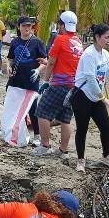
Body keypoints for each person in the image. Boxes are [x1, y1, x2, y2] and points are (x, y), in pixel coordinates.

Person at [72, 23, 109, 172]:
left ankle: (106, 156)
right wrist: (103, 99)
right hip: (82, 96)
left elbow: (106, 73)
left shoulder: (104, 54)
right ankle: (80, 160)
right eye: (106, 37)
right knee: (82, 128)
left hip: (96, 97)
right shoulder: (89, 54)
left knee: (105, 126)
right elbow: (91, 80)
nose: (108, 40)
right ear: (97, 37)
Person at [34, 11, 83, 160]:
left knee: (42, 111)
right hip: (73, 86)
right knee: (65, 118)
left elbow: (52, 62)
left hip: (59, 84)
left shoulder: (60, 39)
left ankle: (45, 146)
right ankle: (63, 150)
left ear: (62, 25)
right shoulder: (78, 41)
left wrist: (45, 81)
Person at [5, 16, 47, 146]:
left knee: (32, 108)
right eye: (24, 26)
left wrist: (38, 70)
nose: (27, 28)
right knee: (13, 106)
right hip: (16, 80)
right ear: (19, 27)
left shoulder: (37, 42)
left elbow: (44, 61)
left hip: (31, 81)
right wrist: (8, 66)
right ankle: (15, 131)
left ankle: (37, 135)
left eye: (29, 26)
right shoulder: (15, 42)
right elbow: (10, 58)